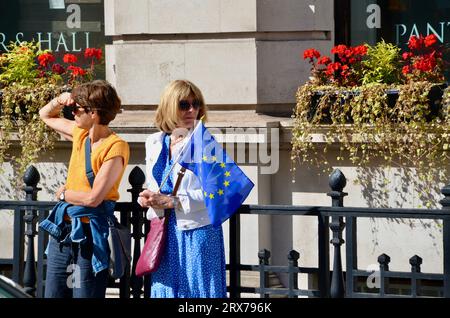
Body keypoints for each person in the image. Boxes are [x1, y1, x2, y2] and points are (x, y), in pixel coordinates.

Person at [38, 80, 130, 298]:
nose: (72, 112)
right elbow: (45, 115)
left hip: (90, 235)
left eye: (76, 108)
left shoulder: (115, 147)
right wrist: (60, 99)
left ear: (94, 113)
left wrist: (63, 194)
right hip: (63, 232)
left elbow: (93, 198)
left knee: (84, 295)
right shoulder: (81, 134)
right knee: (54, 294)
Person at [138, 79, 227, 298]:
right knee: (165, 291)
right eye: (183, 104)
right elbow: (155, 183)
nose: (192, 109)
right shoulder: (155, 142)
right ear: (169, 106)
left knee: (197, 294)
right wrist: (149, 197)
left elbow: (218, 193)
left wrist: (173, 201)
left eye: (196, 104)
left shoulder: (204, 143)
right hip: (165, 231)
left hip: (198, 232)